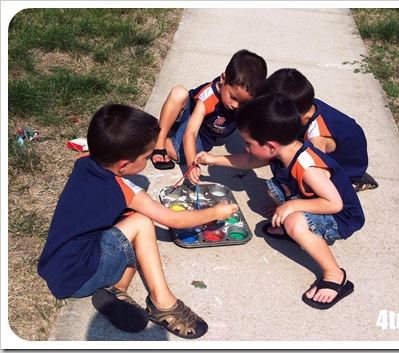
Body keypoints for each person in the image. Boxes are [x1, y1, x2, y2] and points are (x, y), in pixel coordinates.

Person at [37, 104, 239, 339]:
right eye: (145, 157)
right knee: (142, 222)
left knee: (129, 218)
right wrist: (216, 212)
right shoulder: (123, 190)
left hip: (59, 265)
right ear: (123, 164)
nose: (148, 161)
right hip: (81, 275)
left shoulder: (84, 161)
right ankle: (162, 302)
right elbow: (173, 218)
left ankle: (118, 290)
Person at [194, 93, 365, 310]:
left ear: (271, 147)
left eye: (248, 143)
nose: (245, 147)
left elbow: (334, 204)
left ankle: (335, 276)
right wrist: (212, 159)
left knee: (294, 221)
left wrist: (292, 206)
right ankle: (299, 228)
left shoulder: (307, 167)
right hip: (315, 202)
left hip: (339, 218)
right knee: (273, 188)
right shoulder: (282, 149)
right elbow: (248, 160)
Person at [151, 49, 267, 181]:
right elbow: (191, 132)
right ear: (223, 78)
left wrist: (250, 143)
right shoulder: (209, 97)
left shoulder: (246, 104)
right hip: (187, 116)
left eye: (243, 103)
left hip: (204, 134)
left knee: (183, 154)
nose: (235, 105)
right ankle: (158, 141)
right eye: (233, 97)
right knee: (179, 93)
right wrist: (191, 165)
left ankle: (164, 138)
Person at [255, 68, 378, 192]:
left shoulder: (317, 136)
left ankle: (351, 183)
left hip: (348, 168)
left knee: (282, 187)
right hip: (347, 152)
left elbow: (313, 175)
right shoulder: (304, 103)